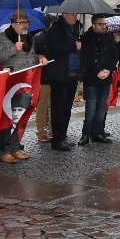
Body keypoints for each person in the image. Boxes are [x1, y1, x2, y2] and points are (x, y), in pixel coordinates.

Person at [43, 12, 83, 151]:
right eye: (72, 14)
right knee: (58, 108)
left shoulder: (74, 28)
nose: (75, 16)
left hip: (72, 73)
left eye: (76, 14)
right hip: (60, 74)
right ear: (65, 14)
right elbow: (55, 48)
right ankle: (57, 139)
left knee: (67, 108)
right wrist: (74, 46)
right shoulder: (56, 28)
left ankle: (63, 136)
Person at [79, 14, 119, 145]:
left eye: (104, 24)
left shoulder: (108, 37)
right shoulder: (85, 38)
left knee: (102, 107)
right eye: (101, 24)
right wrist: (97, 71)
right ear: (94, 24)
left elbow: (114, 55)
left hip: (105, 77)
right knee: (90, 107)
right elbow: (86, 58)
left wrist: (108, 69)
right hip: (91, 78)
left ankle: (98, 133)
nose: (103, 26)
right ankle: (86, 134)